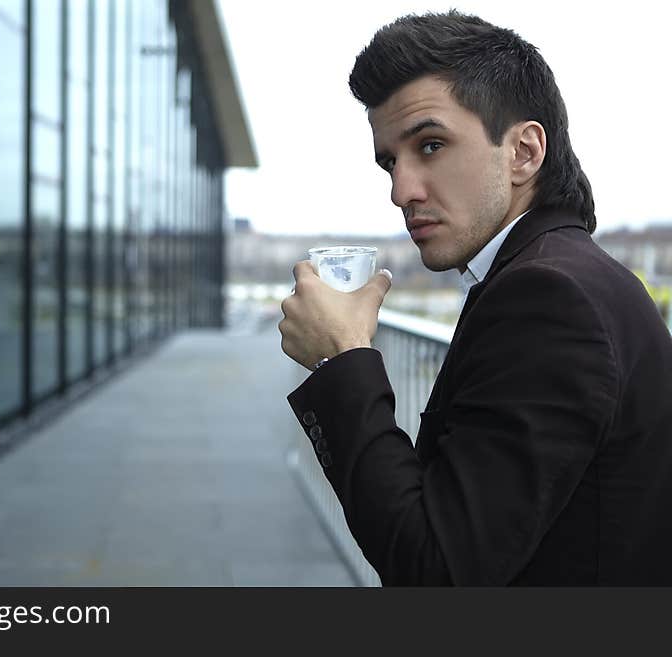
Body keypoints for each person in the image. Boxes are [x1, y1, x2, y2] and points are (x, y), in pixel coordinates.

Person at [279, 10, 672, 585]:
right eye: (390, 161)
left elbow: (436, 570)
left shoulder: (550, 299)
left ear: (524, 152)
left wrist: (342, 358)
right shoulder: (565, 275)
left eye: (431, 145)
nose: (400, 190)